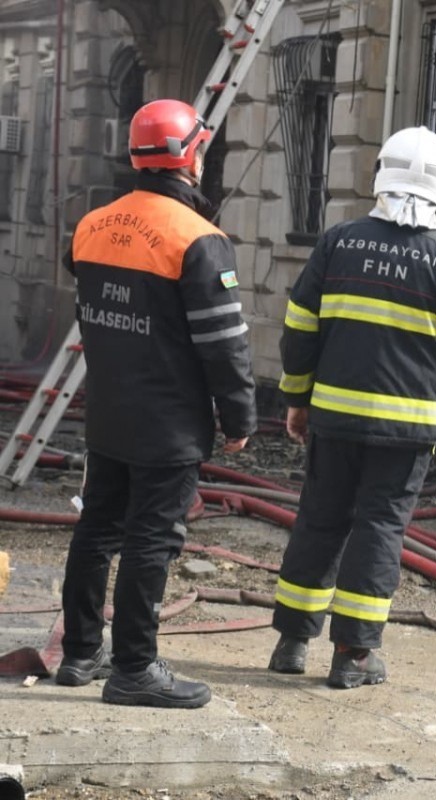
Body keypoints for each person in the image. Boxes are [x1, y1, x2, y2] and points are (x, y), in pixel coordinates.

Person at [270, 125, 436, 689]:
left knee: (320, 518)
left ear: (379, 176)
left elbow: (299, 329)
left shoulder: (339, 242)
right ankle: (354, 654)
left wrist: (297, 399)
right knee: (379, 529)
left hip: (334, 418)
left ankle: (292, 642)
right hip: (406, 429)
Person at [57, 99, 257, 708]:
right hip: (169, 422)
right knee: (152, 538)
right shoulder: (198, 240)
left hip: (109, 412)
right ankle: (134, 669)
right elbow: (224, 346)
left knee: (96, 529)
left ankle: (80, 654)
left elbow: (93, 314)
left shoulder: (91, 226)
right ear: (191, 154)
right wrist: (240, 417)